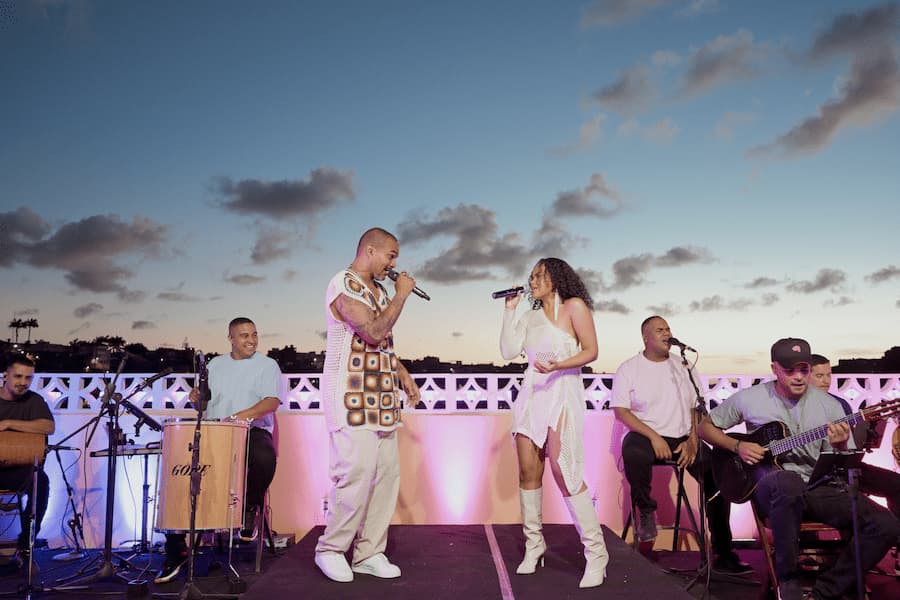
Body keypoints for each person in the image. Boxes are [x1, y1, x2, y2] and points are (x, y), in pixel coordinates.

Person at [699, 338, 900, 600]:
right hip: (770, 486)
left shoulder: (831, 405)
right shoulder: (750, 398)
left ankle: (824, 592)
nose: (798, 377)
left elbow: (845, 459)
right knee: (787, 482)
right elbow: (705, 427)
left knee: (886, 525)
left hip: (817, 486)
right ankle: (788, 580)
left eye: (803, 370)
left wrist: (839, 446)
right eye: (789, 370)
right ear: (774, 369)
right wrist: (737, 446)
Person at [314, 227, 421, 583]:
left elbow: (381, 345)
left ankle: (369, 552)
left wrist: (401, 371)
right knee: (355, 475)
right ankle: (330, 549)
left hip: (381, 398)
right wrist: (402, 296)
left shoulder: (378, 291)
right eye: (391, 256)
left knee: (385, 477)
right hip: (350, 395)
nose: (393, 264)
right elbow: (372, 332)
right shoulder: (342, 284)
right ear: (370, 251)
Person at [610, 316, 751, 574]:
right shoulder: (629, 368)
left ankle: (723, 551)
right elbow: (621, 411)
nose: (667, 333)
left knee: (719, 478)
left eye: (668, 329)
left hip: (684, 437)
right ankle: (646, 512)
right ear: (646, 338)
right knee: (633, 453)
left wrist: (693, 441)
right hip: (645, 434)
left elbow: (698, 408)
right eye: (660, 330)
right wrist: (654, 437)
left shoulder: (683, 366)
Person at [500, 257, 608, 588]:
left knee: (565, 469)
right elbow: (507, 351)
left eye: (539, 275)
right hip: (533, 394)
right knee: (528, 471)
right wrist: (509, 310)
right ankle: (534, 547)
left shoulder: (574, 307)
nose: (532, 280)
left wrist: (560, 365)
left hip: (562, 391)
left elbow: (591, 351)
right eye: (531, 275)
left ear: (556, 278)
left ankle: (596, 553)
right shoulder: (529, 315)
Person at [155, 317, 281, 584]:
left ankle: (249, 507)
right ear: (231, 339)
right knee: (179, 472)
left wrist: (239, 417)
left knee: (264, 456)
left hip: (250, 430)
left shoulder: (267, 365)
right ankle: (175, 549)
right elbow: (202, 407)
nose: (252, 340)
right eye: (245, 336)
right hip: (214, 432)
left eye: (255, 335)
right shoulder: (214, 365)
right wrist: (196, 399)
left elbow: (271, 401)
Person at [810, 353, 900, 576]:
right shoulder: (797, 407)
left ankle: (894, 543)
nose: (825, 380)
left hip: (846, 464)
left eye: (828, 375)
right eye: (819, 375)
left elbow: (851, 445)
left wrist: (866, 434)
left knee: (896, 483)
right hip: (816, 472)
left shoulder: (839, 403)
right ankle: (834, 557)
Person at [0, 354, 54, 571]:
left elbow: (48, 427)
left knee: (40, 481)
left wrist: (8, 423)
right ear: (5, 375)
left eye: (28, 378)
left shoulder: (34, 400)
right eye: (18, 376)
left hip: (18, 468)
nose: (23, 382)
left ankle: (25, 547)